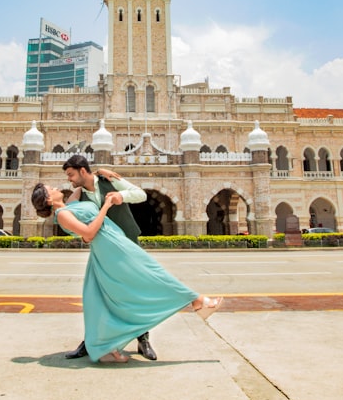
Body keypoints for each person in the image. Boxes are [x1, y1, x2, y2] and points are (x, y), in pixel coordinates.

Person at [31, 182, 223, 363]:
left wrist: (96, 174)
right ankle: (198, 301)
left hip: (113, 241)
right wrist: (105, 206)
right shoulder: (63, 215)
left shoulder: (69, 205)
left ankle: (109, 347)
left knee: (105, 298)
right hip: (110, 246)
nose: (57, 187)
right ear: (48, 200)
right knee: (152, 273)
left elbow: (82, 185)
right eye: (51, 188)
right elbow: (88, 234)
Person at [61, 155, 156, 360]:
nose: (69, 179)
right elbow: (66, 211)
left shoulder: (109, 180)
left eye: (71, 174)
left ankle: (143, 340)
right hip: (103, 249)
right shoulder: (79, 195)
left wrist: (121, 197)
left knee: (134, 293)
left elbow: (140, 194)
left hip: (127, 244)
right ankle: (90, 342)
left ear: (82, 170)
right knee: (99, 297)